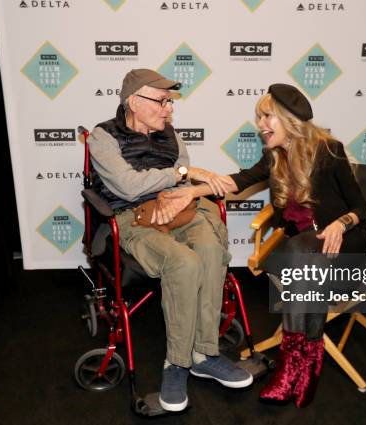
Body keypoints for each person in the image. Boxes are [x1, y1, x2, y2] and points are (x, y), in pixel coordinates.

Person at [154, 83, 366, 407]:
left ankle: (291, 367)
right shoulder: (274, 157)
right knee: (302, 256)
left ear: (288, 119)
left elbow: (360, 206)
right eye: (259, 117)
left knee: (300, 255)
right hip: (306, 249)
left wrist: (341, 224)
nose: (260, 125)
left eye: (267, 116)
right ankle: (306, 364)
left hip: (344, 241)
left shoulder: (329, 151)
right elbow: (236, 181)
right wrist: (190, 191)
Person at [87, 69, 253, 413]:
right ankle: (176, 363)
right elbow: (128, 186)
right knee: (183, 262)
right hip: (132, 218)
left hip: (176, 209)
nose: (168, 110)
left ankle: (203, 352)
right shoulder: (102, 137)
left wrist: (170, 195)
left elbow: (179, 181)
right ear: (134, 101)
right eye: (161, 102)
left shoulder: (171, 135)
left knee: (208, 248)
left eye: (169, 102)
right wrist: (178, 176)